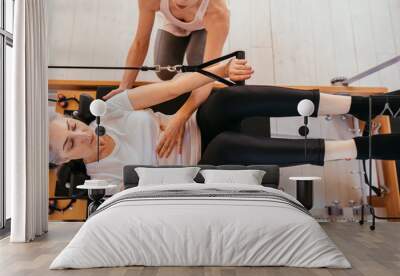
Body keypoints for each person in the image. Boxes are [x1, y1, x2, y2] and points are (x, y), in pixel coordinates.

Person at [49, 58, 400, 186]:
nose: (80, 135)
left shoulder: (107, 110)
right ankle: (364, 148)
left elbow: (176, 87)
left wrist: (217, 72)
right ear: (65, 160)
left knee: (226, 98)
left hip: (196, 124)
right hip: (202, 165)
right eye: (69, 144)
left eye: (73, 126)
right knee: (225, 146)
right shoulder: (102, 180)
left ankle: (362, 105)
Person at [104, 0, 230, 159]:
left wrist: (180, 117)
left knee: (196, 68)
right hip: (174, 24)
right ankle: (183, 76)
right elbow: (140, 42)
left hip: (203, 25)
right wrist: (125, 87)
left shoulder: (217, 12)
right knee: (164, 70)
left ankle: (189, 68)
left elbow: (209, 75)